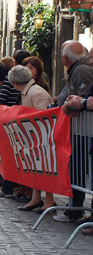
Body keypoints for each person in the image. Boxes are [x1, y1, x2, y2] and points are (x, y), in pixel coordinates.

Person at [54, 40, 93, 222]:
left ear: (64, 57)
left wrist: (76, 104)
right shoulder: (78, 68)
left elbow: (85, 97)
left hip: (84, 132)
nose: (90, 61)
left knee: (79, 169)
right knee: (77, 169)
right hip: (81, 131)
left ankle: (76, 209)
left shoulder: (81, 70)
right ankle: (74, 208)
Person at [8, 65, 55, 212]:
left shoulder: (36, 93)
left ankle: (49, 200)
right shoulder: (28, 92)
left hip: (42, 138)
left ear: (15, 83)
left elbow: (43, 117)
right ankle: (36, 198)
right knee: (36, 168)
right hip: (34, 137)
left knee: (44, 169)